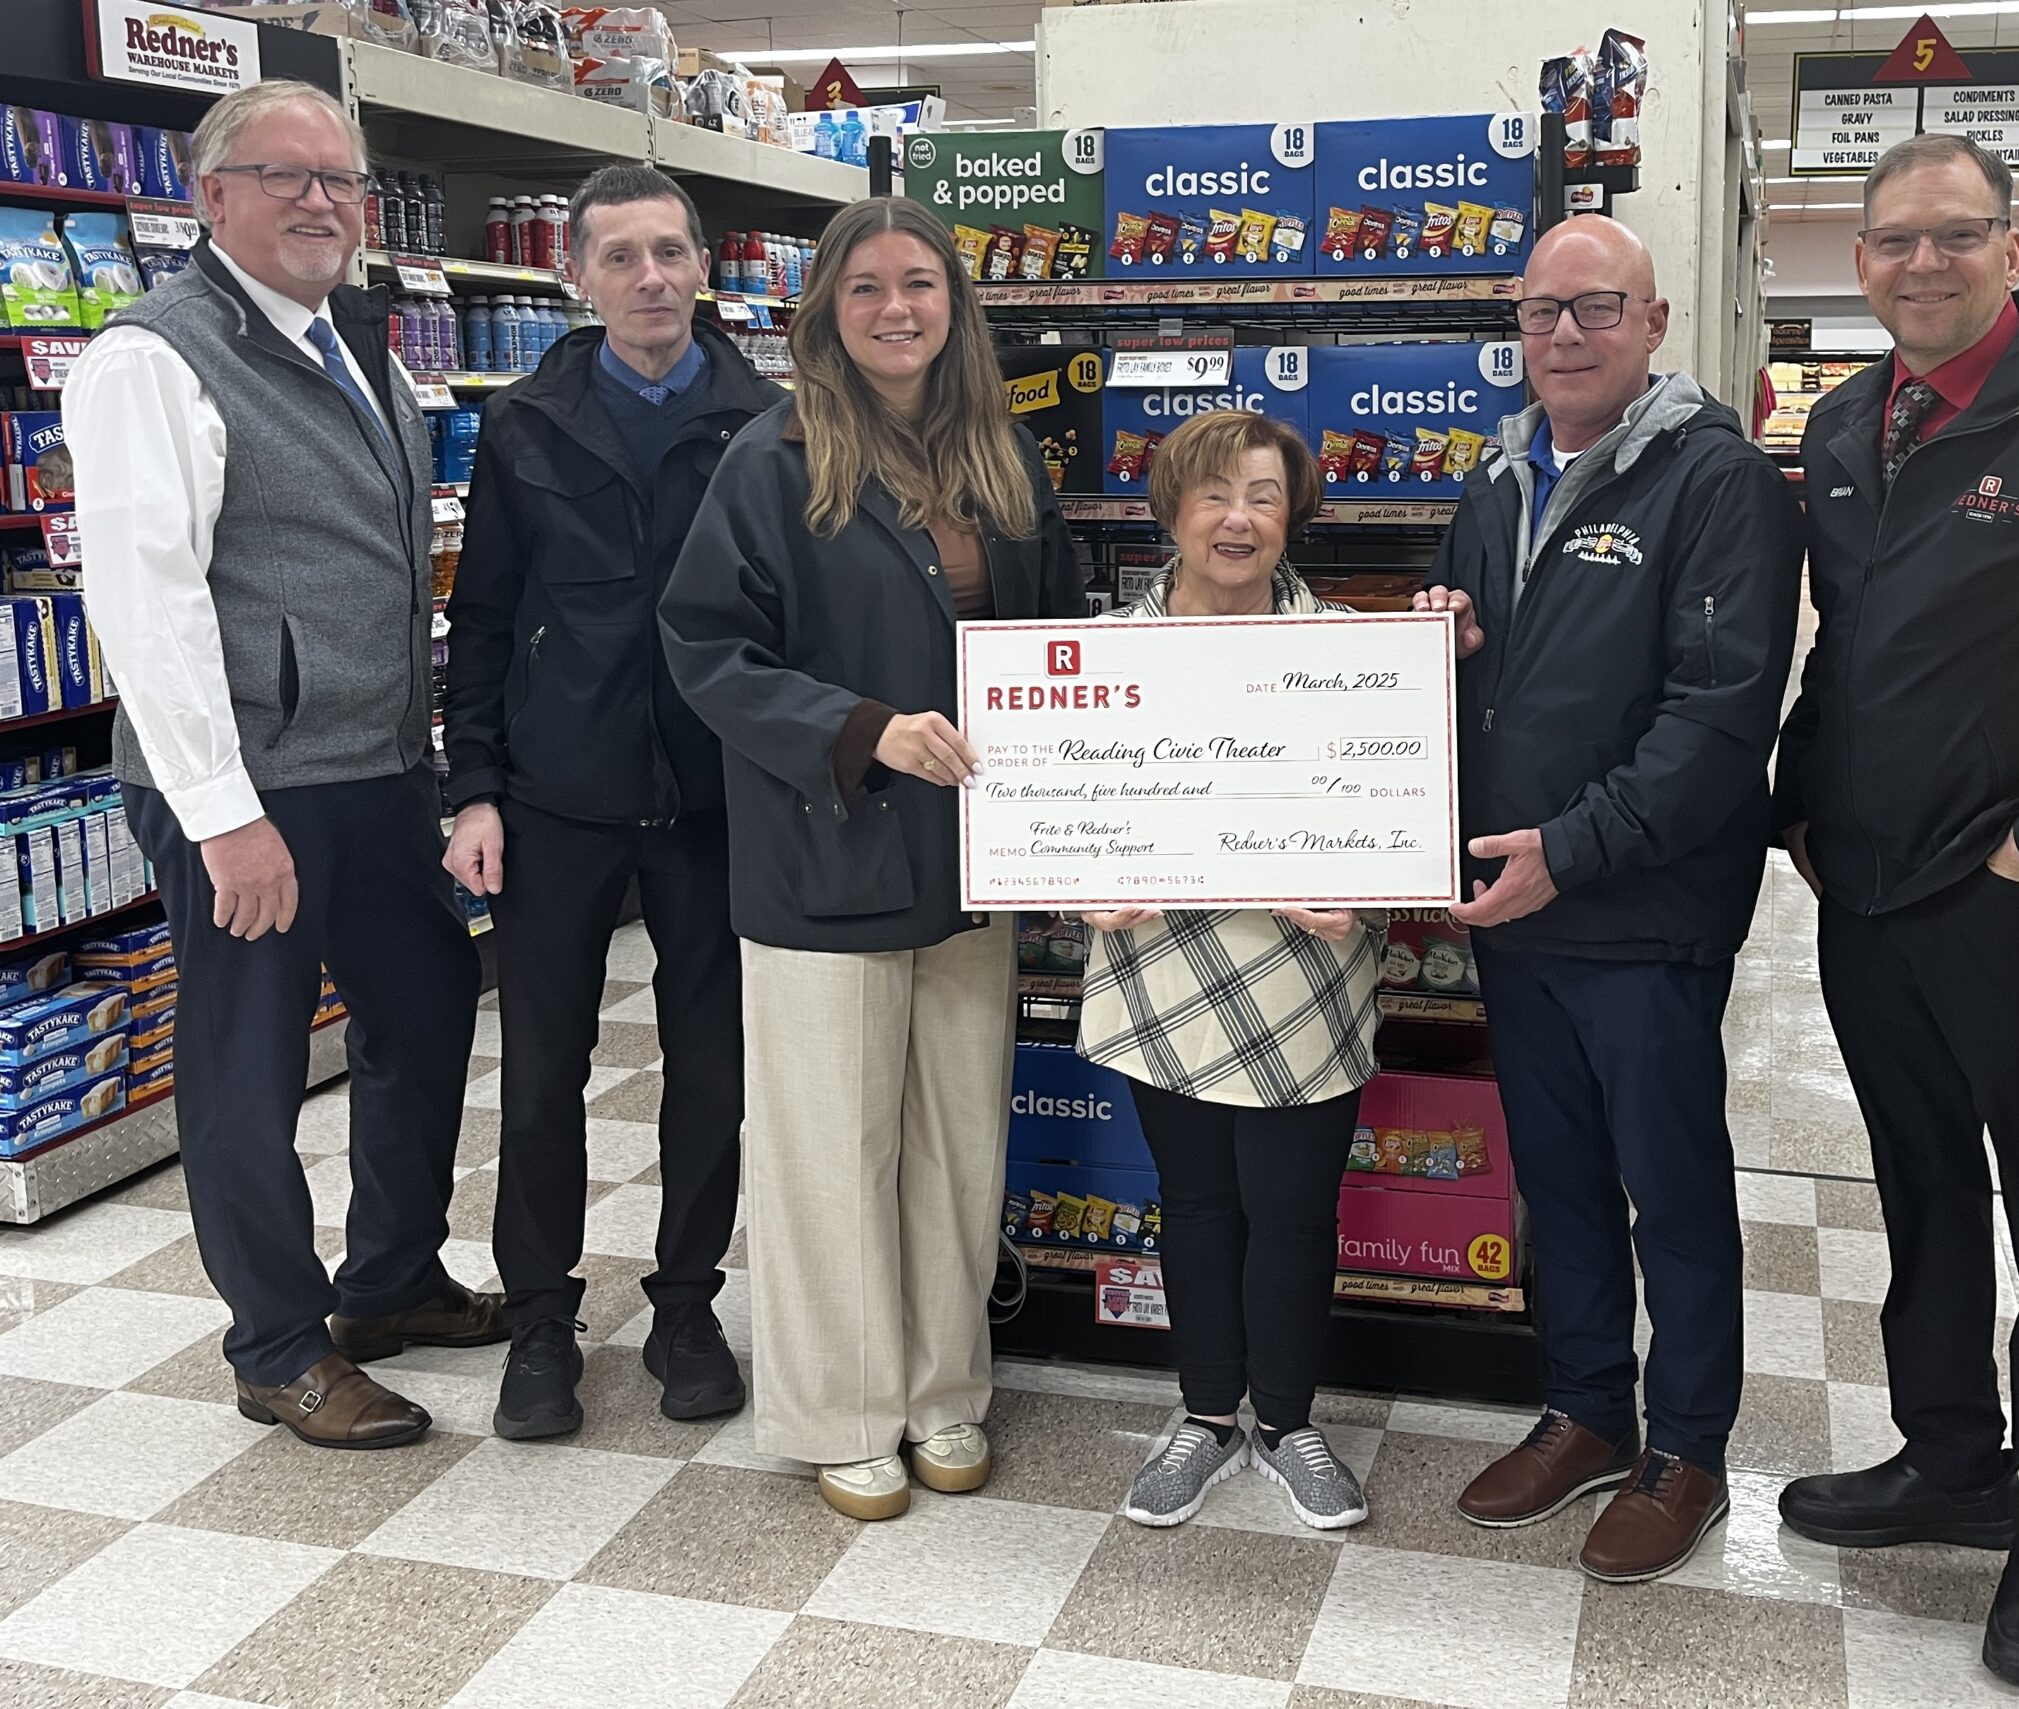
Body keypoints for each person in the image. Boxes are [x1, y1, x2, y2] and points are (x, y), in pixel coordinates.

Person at [61, 79, 494, 1448]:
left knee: (426, 1004)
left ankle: (391, 1280)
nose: (321, 200)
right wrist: (221, 813)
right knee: (246, 1060)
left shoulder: (350, 339)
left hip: (372, 767)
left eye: (340, 179)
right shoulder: (154, 356)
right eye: (285, 175)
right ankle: (277, 1345)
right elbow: (147, 601)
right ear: (211, 196)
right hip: (246, 788)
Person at [1771, 133, 2019, 1693]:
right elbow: (1849, 634)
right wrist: (1799, 796)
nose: (1922, 264)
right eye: (1893, 240)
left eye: (1955, 235)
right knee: (1920, 1184)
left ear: (2011, 244)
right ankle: (1948, 1456)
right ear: (1861, 260)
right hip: (1863, 890)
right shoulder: (1845, 419)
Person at [660, 197, 1086, 1520]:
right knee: (831, 1146)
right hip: (825, 850)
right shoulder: (771, 458)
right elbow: (704, 647)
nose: (895, 309)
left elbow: (1058, 634)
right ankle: (842, 1409)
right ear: (826, 312)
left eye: (918, 284)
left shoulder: (1003, 456)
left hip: (971, 856)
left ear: (956, 304)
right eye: (865, 288)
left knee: (955, 1138)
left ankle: (943, 1387)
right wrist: (862, 730)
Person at [1413, 215, 1803, 1583]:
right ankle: (1586, 1406)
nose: (1565, 335)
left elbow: (1717, 716)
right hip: (1516, 902)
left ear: (1653, 321)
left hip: (1642, 906)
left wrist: (1572, 849)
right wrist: (1449, 648)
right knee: (1558, 1175)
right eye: (1541, 312)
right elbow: (1497, 674)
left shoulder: (1717, 483)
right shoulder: (1495, 477)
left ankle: (1687, 1446)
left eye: (1595, 307)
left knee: (1669, 1184)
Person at [441, 164, 784, 1440]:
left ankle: (686, 1306)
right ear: (576, 275)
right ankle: (541, 1319)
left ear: (702, 267)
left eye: (670, 253)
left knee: (712, 1069)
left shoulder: (768, 423)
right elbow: (482, 620)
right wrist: (474, 789)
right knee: (542, 1074)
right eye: (621, 256)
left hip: (717, 799)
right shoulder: (526, 423)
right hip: (557, 797)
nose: (650, 278)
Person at [1076, 410, 1383, 1533]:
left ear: (1293, 514)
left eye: (1262, 495)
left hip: (1306, 971)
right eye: (1213, 494)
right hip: (1163, 965)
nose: (1237, 519)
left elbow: (1398, 804)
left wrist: (1369, 886)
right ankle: (1207, 1414)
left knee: (1295, 1210)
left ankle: (1290, 1422)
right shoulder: (1106, 648)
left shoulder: (1351, 650)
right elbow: (1064, 800)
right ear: (1171, 510)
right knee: (1197, 1202)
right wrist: (1075, 880)